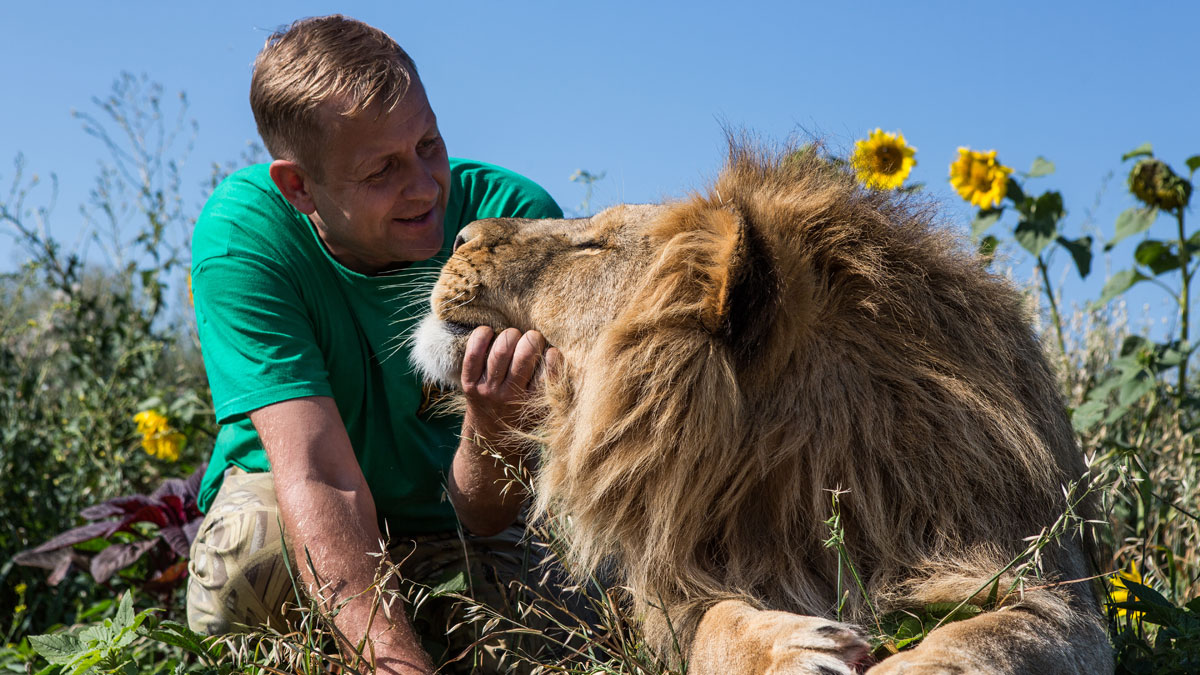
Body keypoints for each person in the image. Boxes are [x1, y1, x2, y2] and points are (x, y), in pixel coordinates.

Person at [186, 14, 563, 674]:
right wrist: (392, 663)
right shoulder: (244, 237)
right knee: (248, 562)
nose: (425, 187)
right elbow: (318, 475)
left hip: (461, 524)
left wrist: (494, 425)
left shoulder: (512, 224)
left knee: (558, 627)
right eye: (381, 169)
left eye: (429, 144)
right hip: (302, 509)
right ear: (298, 186)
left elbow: (488, 511)